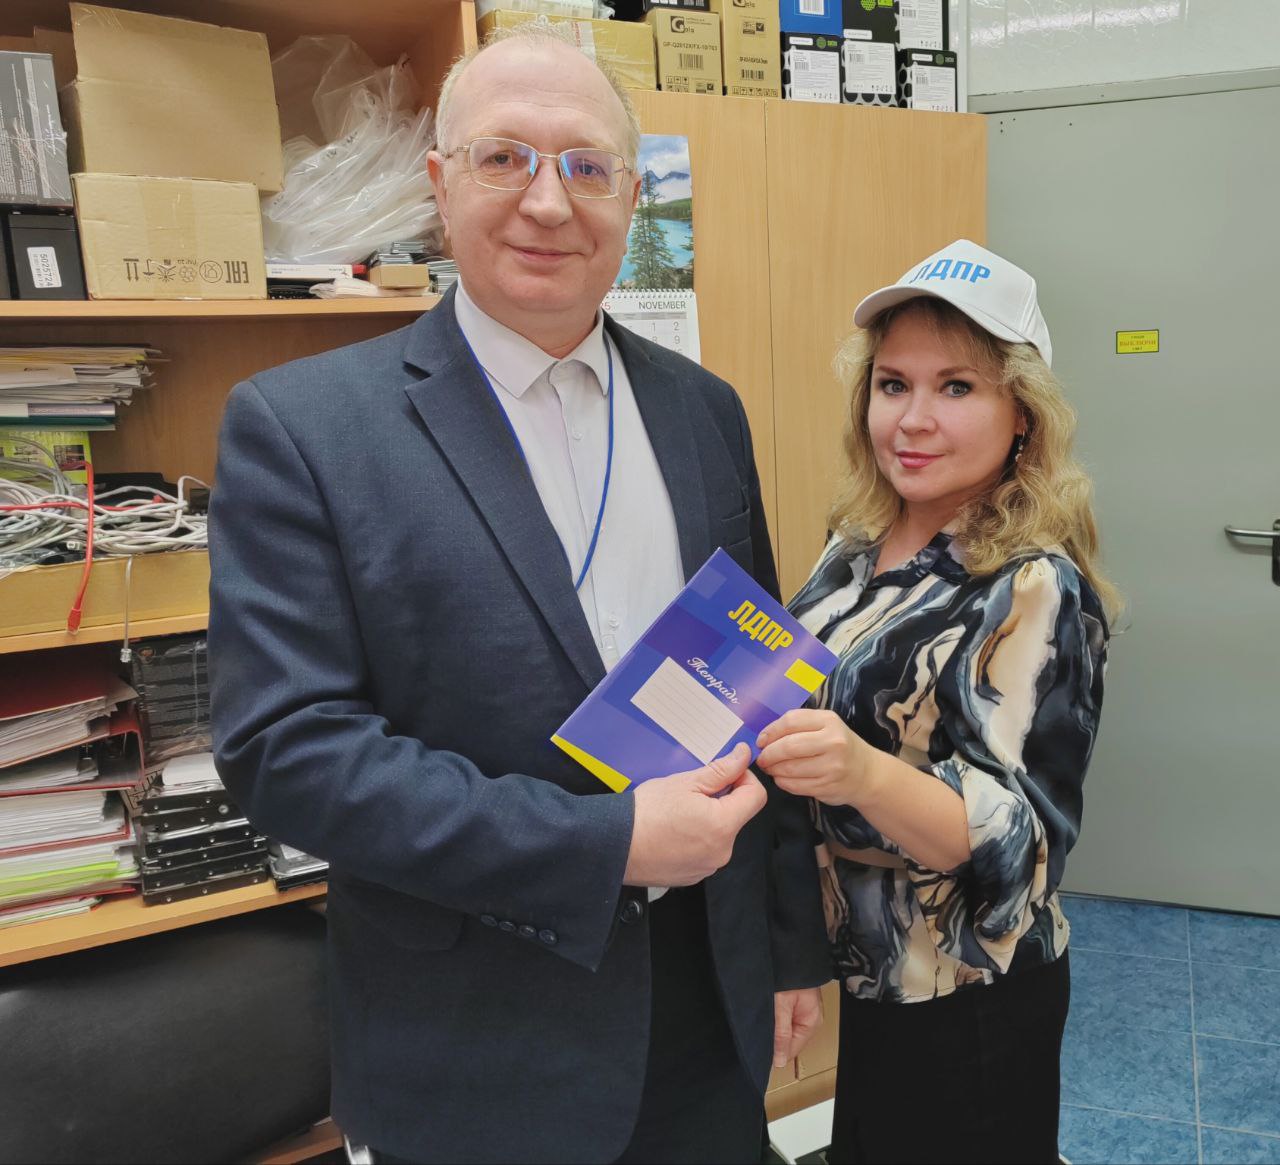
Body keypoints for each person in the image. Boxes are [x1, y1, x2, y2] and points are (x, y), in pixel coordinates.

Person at [208, 25, 830, 1165]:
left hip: (708, 1002)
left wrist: (789, 946)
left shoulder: (705, 411)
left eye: (587, 166)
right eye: (504, 158)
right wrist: (604, 844)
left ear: (631, 198)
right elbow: (287, 751)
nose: (549, 202)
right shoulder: (305, 429)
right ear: (438, 185)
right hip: (479, 1040)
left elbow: (759, 685)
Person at [755, 240, 1117, 1164]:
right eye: (893, 384)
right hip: (872, 973)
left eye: (956, 387)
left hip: (969, 992)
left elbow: (1020, 846)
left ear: (1022, 413)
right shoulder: (855, 540)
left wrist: (858, 771)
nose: (912, 420)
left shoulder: (1034, 585)